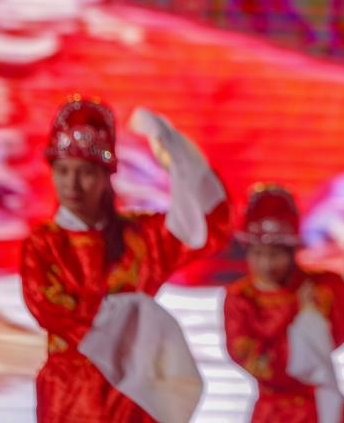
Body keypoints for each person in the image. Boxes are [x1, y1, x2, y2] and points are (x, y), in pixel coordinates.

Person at [20, 96, 231, 423]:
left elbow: (207, 225)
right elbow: (51, 308)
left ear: (106, 175)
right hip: (70, 397)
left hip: (133, 397)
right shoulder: (44, 244)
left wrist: (176, 156)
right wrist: (134, 314)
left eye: (85, 172)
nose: (72, 184)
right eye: (62, 171)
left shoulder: (142, 238)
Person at [223, 183, 344, 423]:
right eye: (258, 253)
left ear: (292, 251)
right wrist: (305, 322)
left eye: (275, 254)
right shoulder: (241, 298)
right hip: (274, 415)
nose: (266, 264)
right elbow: (253, 360)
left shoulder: (321, 289)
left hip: (323, 409)